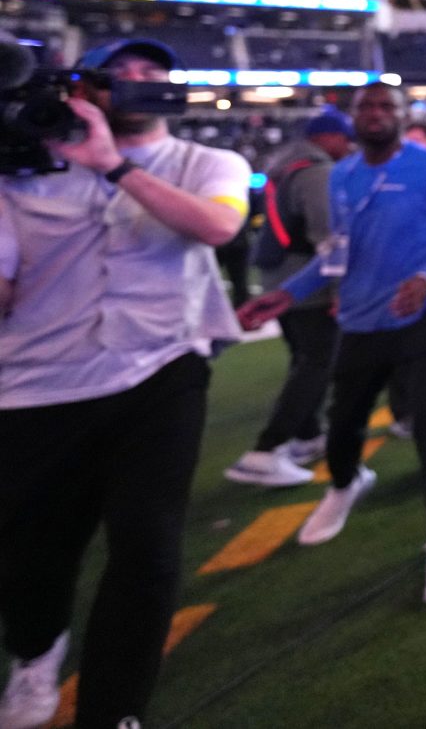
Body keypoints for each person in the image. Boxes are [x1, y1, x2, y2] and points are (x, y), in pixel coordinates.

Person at [0, 38, 250, 729]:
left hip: (159, 370)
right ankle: (34, 652)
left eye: (153, 72)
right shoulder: (22, 170)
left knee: (148, 544)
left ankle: (114, 711)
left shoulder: (211, 162)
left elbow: (218, 225)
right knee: (33, 556)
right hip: (34, 385)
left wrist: (112, 166)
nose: (138, 81)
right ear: (90, 88)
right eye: (123, 71)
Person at [236, 82, 426, 604]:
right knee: (343, 423)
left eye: (384, 106)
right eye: (364, 106)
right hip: (363, 317)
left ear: (402, 114)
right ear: (351, 118)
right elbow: (335, 256)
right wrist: (286, 294)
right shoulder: (342, 176)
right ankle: (345, 483)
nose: (374, 114)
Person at [225, 108, 355, 488]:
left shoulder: (287, 166)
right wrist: (337, 289)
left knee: (304, 360)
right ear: (328, 137)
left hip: (279, 276)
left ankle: (307, 436)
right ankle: (266, 449)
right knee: (318, 363)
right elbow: (327, 237)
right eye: (344, 138)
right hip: (304, 282)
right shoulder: (317, 172)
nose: (348, 147)